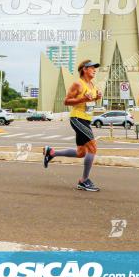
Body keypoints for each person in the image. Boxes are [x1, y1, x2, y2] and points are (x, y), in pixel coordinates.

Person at [42, 59, 102, 192]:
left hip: (86, 119)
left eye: (95, 68)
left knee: (81, 153)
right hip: (77, 118)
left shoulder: (92, 85)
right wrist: (83, 99)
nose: (94, 70)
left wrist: (97, 97)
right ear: (84, 69)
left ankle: (51, 153)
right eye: (92, 68)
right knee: (93, 147)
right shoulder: (78, 84)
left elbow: (89, 102)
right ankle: (84, 181)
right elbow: (66, 101)